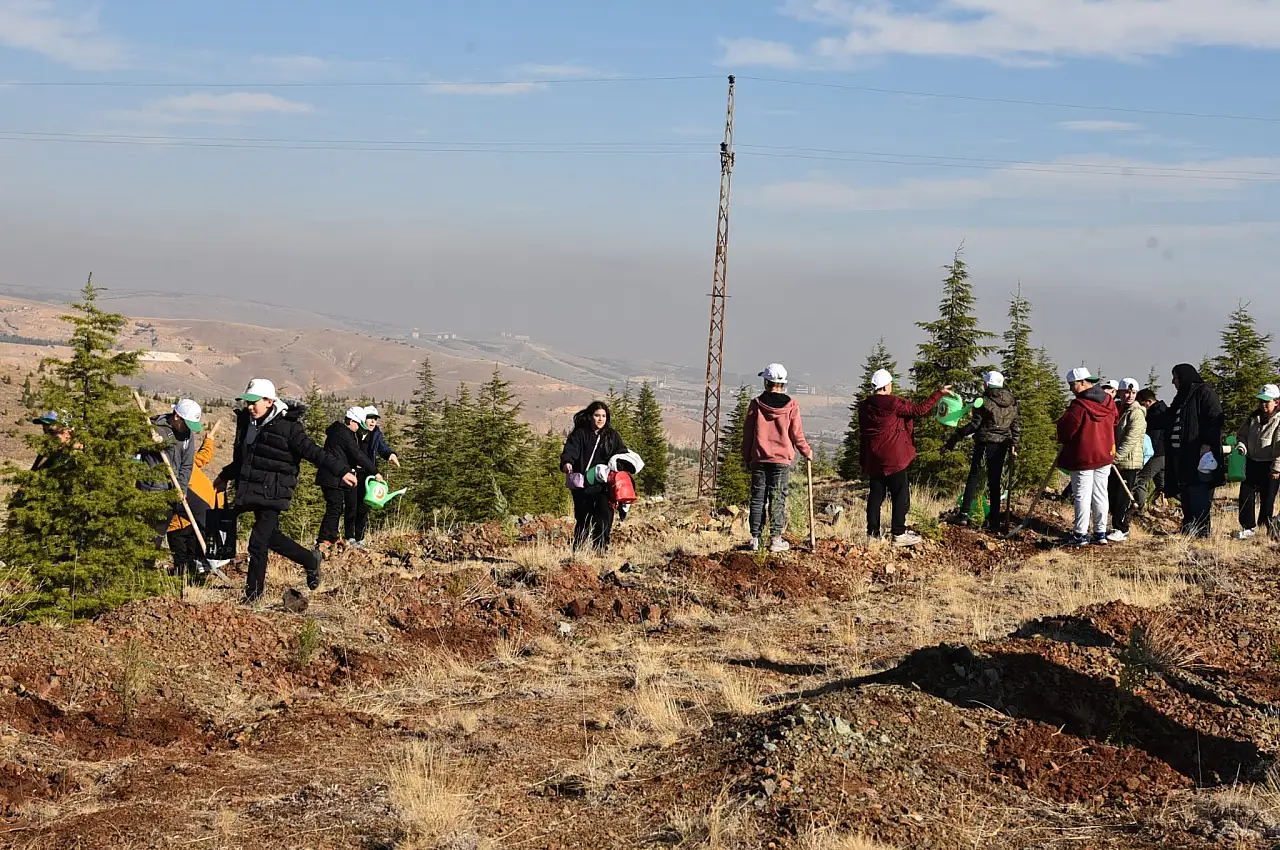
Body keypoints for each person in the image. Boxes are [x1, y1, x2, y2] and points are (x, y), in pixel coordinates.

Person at [214, 379, 356, 603]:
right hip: (252, 490)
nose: (250, 407)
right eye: (247, 402)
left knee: (257, 542)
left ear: (269, 401)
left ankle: (252, 597)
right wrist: (224, 476)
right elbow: (245, 459)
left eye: (254, 402)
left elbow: (314, 452)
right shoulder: (248, 423)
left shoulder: (288, 427)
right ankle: (310, 561)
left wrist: (342, 471)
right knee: (272, 538)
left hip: (274, 493)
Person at [858, 369, 949, 546]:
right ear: (886, 386)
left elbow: (863, 434)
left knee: (876, 495)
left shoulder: (864, 407)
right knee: (901, 496)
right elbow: (919, 410)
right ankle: (898, 533)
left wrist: (863, 460)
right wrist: (939, 393)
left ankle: (872, 534)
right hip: (894, 458)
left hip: (874, 457)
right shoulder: (894, 404)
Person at [741, 363, 813, 553]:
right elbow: (796, 434)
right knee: (777, 498)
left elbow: (748, 434)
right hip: (781, 460)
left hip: (759, 459)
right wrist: (806, 451)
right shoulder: (791, 405)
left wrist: (746, 457)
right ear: (783, 384)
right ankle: (775, 539)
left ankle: (755, 539)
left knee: (757, 499)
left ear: (766, 382)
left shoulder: (756, 404)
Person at [944, 370, 1020, 531]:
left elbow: (975, 425)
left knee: (974, 476)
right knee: (995, 480)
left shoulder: (983, 401)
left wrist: (958, 435)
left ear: (987, 384)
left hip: (984, 442)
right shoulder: (1013, 401)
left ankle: (963, 514)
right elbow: (1015, 425)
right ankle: (994, 521)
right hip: (1002, 445)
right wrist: (1015, 444)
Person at [1056, 366, 1119, 547]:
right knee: (1101, 493)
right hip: (1105, 454)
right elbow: (1115, 421)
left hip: (1083, 456)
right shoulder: (1109, 401)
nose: (1070, 389)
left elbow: (1066, 430)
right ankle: (1100, 532)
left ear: (1083, 383)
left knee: (1082, 495)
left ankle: (1080, 535)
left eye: (1072, 385)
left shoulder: (1079, 406)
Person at [1163, 364, 1225, 537]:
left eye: (1176, 377)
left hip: (1198, 453)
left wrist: (1207, 444)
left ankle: (1202, 530)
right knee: (1185, 490)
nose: (1173, 381)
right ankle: (1189, 525)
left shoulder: (1204, 392)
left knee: (1198, 490)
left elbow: (1214, 419)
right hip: (1180, 454)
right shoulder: (1180, 398)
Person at [137, 399, 204, 554]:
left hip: (176, 487)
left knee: (205, 512)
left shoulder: (187, 434)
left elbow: (187, 465)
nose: (189, 428)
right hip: (155, 490)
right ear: (176, 417)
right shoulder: (153, 427)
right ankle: (144, 571)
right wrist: (148, 441)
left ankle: (198, 559)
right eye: (186, 423)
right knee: (154, 537)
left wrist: (183, 488)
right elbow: (132, 444)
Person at [560, 401, 628, 553]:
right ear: (590, 416)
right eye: (597, 415)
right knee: (583, 518)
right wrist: (567, 462)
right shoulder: (580, 434)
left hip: (604, 485)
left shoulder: (612, 436)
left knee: (604, 516)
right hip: (583, 485)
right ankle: (580, 551)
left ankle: (600, 550)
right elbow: (570, 451)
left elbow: (622, 454)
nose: (600, 419)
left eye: (603, 416)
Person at [317, 406, 375, 554]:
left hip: (333, 476)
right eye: (357, 424)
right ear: (351, 421)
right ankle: (324, 539)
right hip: (332, 477)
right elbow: (358, 454)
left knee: (336, 507)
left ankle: (330, 537)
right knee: (335, 507)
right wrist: (375, 471)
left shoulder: (339, 433)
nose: (358, 428)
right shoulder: (344, 434)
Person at [167, 425, 220, 581]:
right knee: (181, 560)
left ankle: (197, 579)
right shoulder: (169, 475)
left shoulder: (187, 464)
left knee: (194, 556)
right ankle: (182, 583)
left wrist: (209, 440)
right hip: (176, 525)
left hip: (192, 521)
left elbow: (203, 456)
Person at [1233, 383, 1280, 539]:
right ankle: (1248, 527)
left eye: (1267, 401)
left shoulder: (1279, 421)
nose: (1263, 404)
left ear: (1276, 402)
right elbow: (1241, 436)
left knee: (1268, 498)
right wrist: (1242, 446)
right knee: (1246, 494)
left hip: (1270, 465)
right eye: (1261, 400)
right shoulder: (1253, 417)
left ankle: (1265, 527)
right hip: (1252, 462)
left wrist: (1276, 468)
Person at [353, 405, 402, 549]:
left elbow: (382, 448)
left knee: (364, 506)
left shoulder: (376, 434)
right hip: (353, 473)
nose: (373, 422)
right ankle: (349, 538)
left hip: (369, 474)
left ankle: (359, 539)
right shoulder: (355, 433)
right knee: (351, 506)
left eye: (375, 419)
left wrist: (391, 454)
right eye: (370, 418)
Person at [1107, 378, 1146, 542]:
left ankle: (1122, 529)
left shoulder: (1136, 413)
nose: (1129, 396)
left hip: (1128, 462)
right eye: (1127, 392)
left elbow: (1131, 439)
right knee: (1113, 495)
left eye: (1133, 393)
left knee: (1123, 497)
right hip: (1117, 461)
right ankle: (1115, 526)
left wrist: (1115, 458)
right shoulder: (1120, 410)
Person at [1134, 388, 1167, 513]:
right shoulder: (1165, 410)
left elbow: (1153, 438)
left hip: (1156, 454)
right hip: (1164, 454)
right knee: (1163, 485)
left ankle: (1140, 510)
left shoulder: (1155, 415)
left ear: (1148, 402)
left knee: (1140, 481)